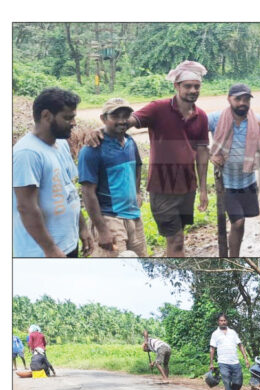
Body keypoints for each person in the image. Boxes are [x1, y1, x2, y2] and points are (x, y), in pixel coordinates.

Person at [87, 61, 210, 257]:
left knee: (179, 239)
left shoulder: (201, 116)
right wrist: (102, 129)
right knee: (176, 240)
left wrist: (203, 189)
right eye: (187, 86)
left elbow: (203, 151)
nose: (193, 90)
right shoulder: (158, 108)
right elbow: (130, 121)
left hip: (188, 189)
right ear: (176, 86)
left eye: (197, 86)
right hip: (163, 189)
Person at [13, 87, 94, 258]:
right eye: (67, 118)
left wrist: (83, 227)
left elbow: (69, 191)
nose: (73, 123)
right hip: (41, 253)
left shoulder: (61, 144)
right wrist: (50, 249)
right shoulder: (27, 153)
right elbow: (26, 207)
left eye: (74, 117)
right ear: (46, 116)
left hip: (67, 244)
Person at [78, 98, 146, 257]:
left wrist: (137, 192)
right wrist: (102, 230)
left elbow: (137, 166)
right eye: (115, 116)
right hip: (110, 219)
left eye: (126, 115)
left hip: (134, 218)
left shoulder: (130, 142)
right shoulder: (92, 149)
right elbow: (87, 192)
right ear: (103, 119)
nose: (122, 121)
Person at [208, 84, 260, 257]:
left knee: (243, 221)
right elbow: (194, 135)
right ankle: (233, 258)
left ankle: (234, 253)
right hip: (227, 183)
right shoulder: (215, 118)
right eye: (238, 99)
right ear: (229, 99)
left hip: (248, 180)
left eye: (246, 99)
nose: (242, 103)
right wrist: (209, 154)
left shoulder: (256, 120)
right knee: (238, 222)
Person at [209, 313, 251, 390]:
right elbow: (212, 349)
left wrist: (246, 359)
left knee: (238, 382)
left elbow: (240, 345)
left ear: (227, 321)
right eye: (221, 321)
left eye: (224, 320)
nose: (223, 322)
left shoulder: (233, 332)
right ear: (218, 322)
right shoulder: (215, 334)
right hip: (223, 362)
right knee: (227, 381)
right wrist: (211, 363)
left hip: (235, 362)